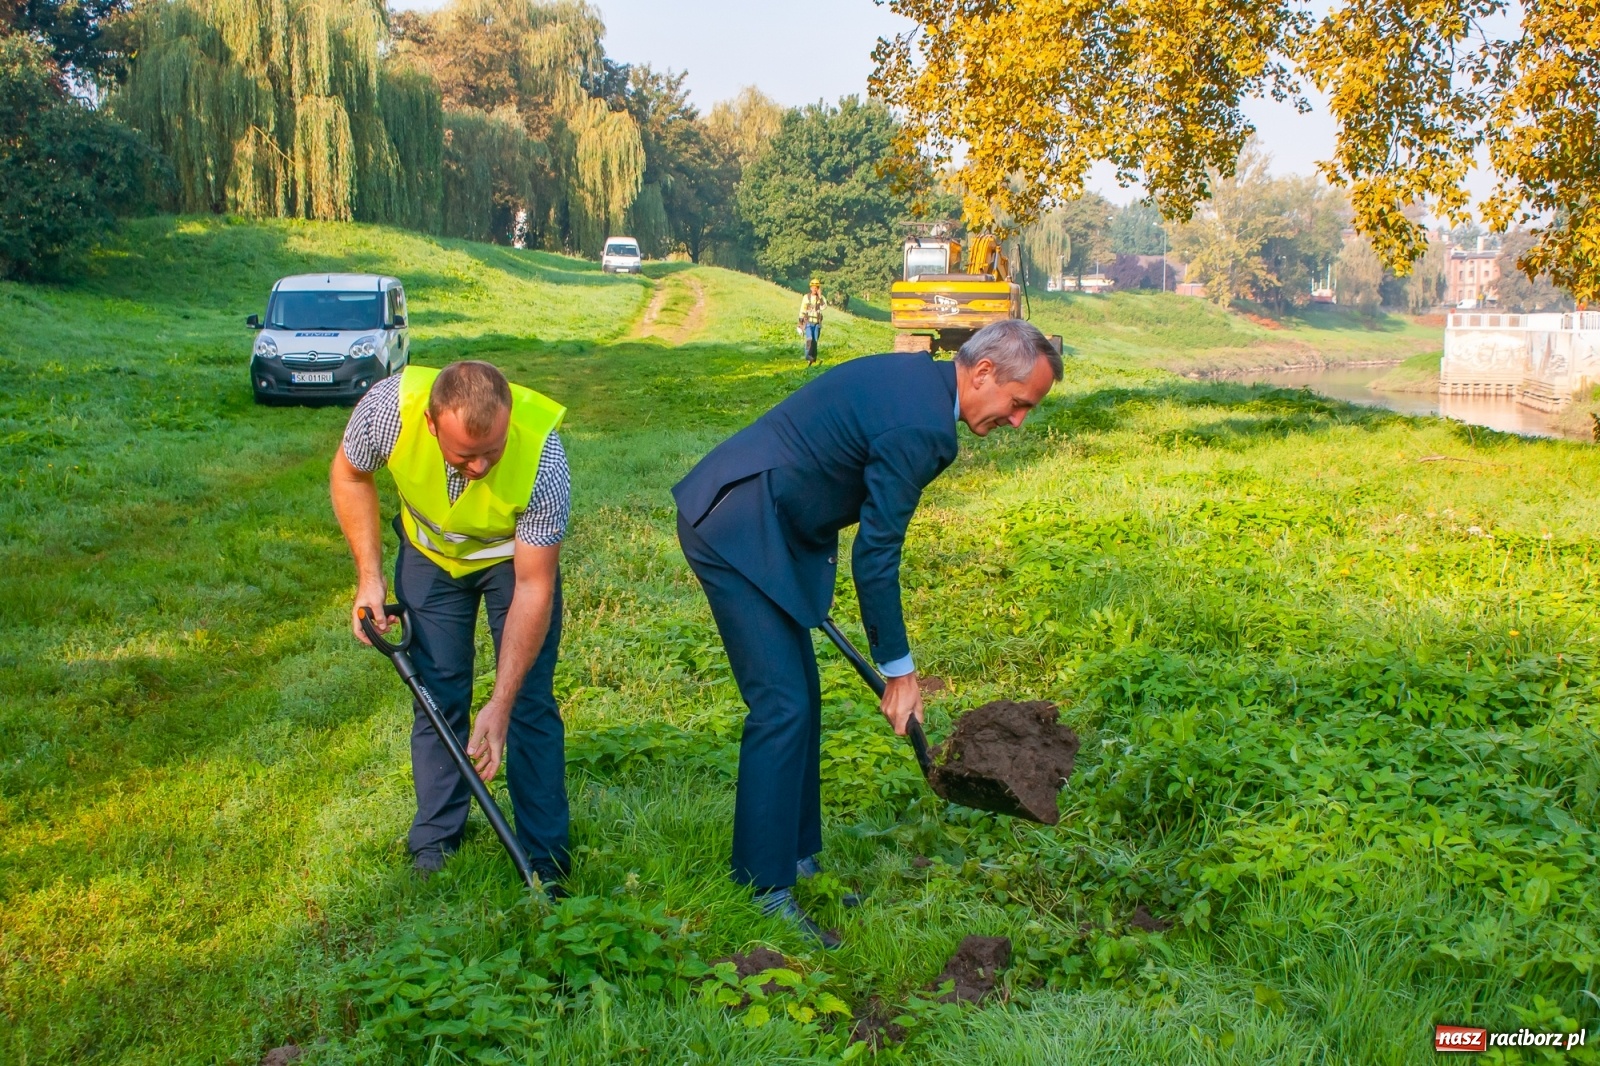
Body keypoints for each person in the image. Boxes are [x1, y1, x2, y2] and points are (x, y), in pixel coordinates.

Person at [672, 320, 1063, 946]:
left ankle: (797, 864)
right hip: (736, 524)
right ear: (985, 373)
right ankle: (762, 890)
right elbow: (876, 553)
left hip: (770, 521)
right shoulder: (922, 427)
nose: (1017, 422)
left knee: (800, 698)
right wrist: (900, 670)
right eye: (1019, 405)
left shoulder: (918, 387)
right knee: (781, 705)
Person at [329, 360, 572, 895]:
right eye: (466, 455)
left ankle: (546, 857)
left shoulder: (543, 457)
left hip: (513, 563)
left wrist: (500, 703)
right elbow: (349, 474)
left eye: (494, 450)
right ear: (433, 425)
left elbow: (535, 587)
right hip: (431, 555)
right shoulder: (389, 411)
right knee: (437, 693)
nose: (482, 466)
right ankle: (436, 844)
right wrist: (369, 579)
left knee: (529, 699)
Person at [798, 277, 826, 365]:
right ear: (810, 288)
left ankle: (813, 359)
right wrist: (800, 323)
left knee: (815, 341)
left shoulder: (821, 299)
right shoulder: (806, 297)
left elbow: (823, 307)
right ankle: (808, 356)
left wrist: (820, 297)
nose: (815, 289)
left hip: (817, 323)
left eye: (816, 287)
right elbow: (802, 309)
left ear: (818, 289)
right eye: (813, 287)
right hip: (808, 322)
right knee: (809, 339)